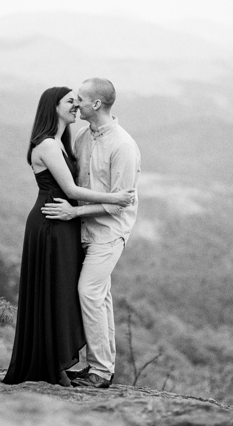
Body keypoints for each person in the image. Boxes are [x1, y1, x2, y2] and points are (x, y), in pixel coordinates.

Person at [3, 86, 135, 387]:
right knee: (69, 291)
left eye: (78, 101)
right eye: (70, 102)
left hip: (68, 223)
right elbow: (73, 191)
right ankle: (62, 364)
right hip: (53, 222)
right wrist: (116, 198)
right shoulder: (50, 145)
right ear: (54, 107)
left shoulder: (68, 141)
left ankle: (80, 365)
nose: (76, 105)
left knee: (66, 291)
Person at [41, 77, 141, 389]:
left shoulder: (123, 145)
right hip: (82, 231)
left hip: (108, 233)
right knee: (101, 296)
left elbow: (119, 204)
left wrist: (74, 213)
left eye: (81, 99)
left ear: (96, 104)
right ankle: (101, 367)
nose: (76, 103)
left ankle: (99, 373)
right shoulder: (84, 137)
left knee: (89, 292)